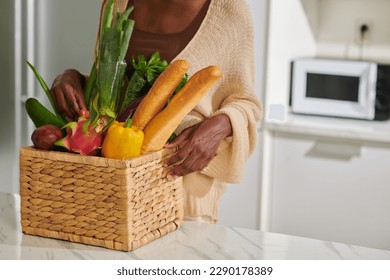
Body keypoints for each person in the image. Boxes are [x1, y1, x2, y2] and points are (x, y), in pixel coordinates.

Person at [50, 0, 263, 223]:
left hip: (183, 177)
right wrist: (71, 77)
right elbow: (110, 90)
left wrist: (221, 125)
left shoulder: (228, 9)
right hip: (117, 175)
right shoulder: (117, 4)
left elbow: (245, 101)